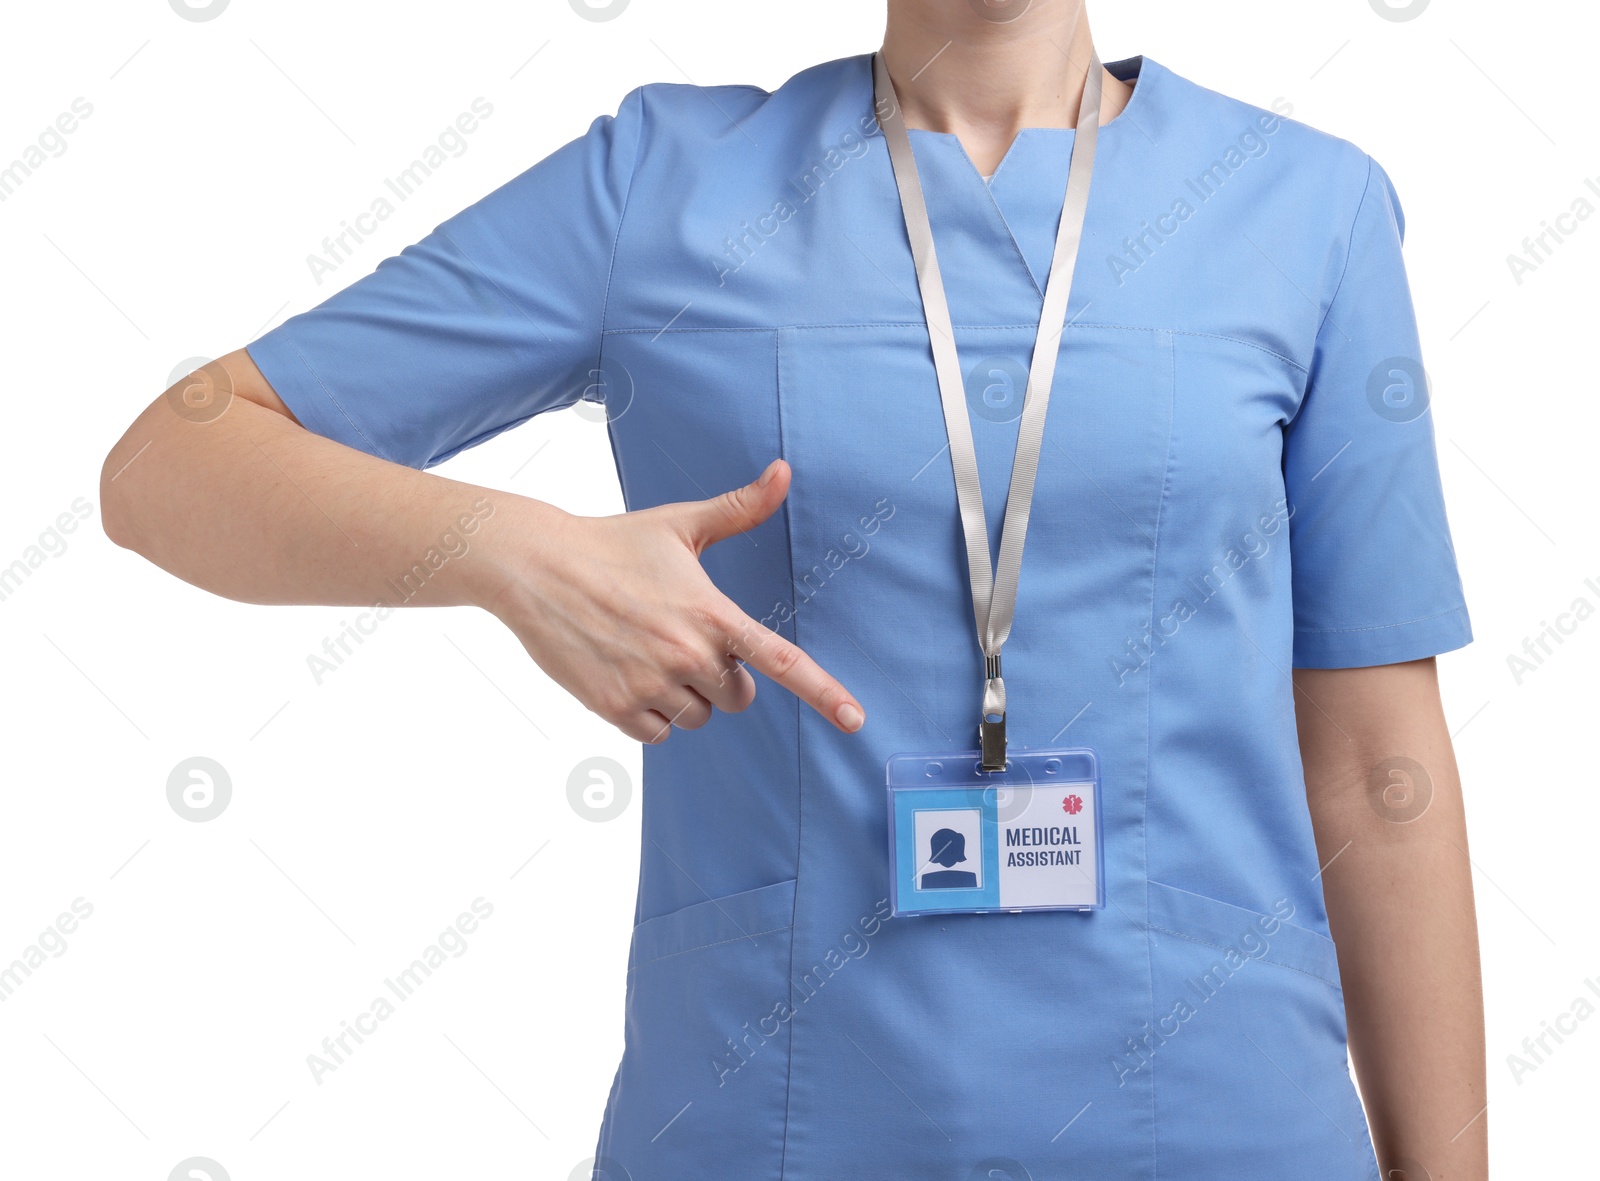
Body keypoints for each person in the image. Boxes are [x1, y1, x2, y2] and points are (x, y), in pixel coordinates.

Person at [100, 1, 1489, 1178]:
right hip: (775, 1127)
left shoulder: (1309, 211)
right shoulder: (663, 188)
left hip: (1223, 1129)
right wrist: (515, 552)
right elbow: (173, 461)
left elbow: (1377, 769)